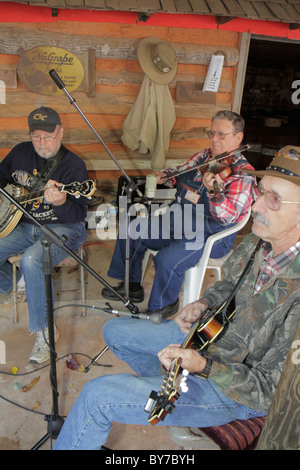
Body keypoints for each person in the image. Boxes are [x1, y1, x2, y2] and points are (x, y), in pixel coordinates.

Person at [53, 146, 300, 450]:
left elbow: (271, 391)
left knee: (96, 397)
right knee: (113, 331)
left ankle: (176, 395)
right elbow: (230, 286)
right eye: (260, 192)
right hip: (209, 337)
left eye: (273, 199)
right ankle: (166, 385)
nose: (256, 205)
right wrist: (204, 303)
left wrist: (203, 367)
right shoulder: (256, 242)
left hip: (232, 391)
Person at [102, 110, 255, 318]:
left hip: (210, 233)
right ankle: (131, 286)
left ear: (238, 137)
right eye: (211, 133)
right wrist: (164, 176)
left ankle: (164, 306)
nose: (214, 139)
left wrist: (214, 193)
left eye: (221, 134)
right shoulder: (204, 156)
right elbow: (180, 173)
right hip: (179, 218)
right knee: (131, 230)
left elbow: (227, 218)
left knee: (168, 260)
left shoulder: (243, 173)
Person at [0, 106, 88, 364]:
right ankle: (11, 288)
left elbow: (76, 216)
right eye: (36, 136)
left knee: (31, 260)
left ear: (60, 133)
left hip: (65, 228)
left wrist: (60, 201)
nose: (42, 142)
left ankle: (44, 331)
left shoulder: (74, 166)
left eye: (48, 136)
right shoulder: (19, 152)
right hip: (24, 224)